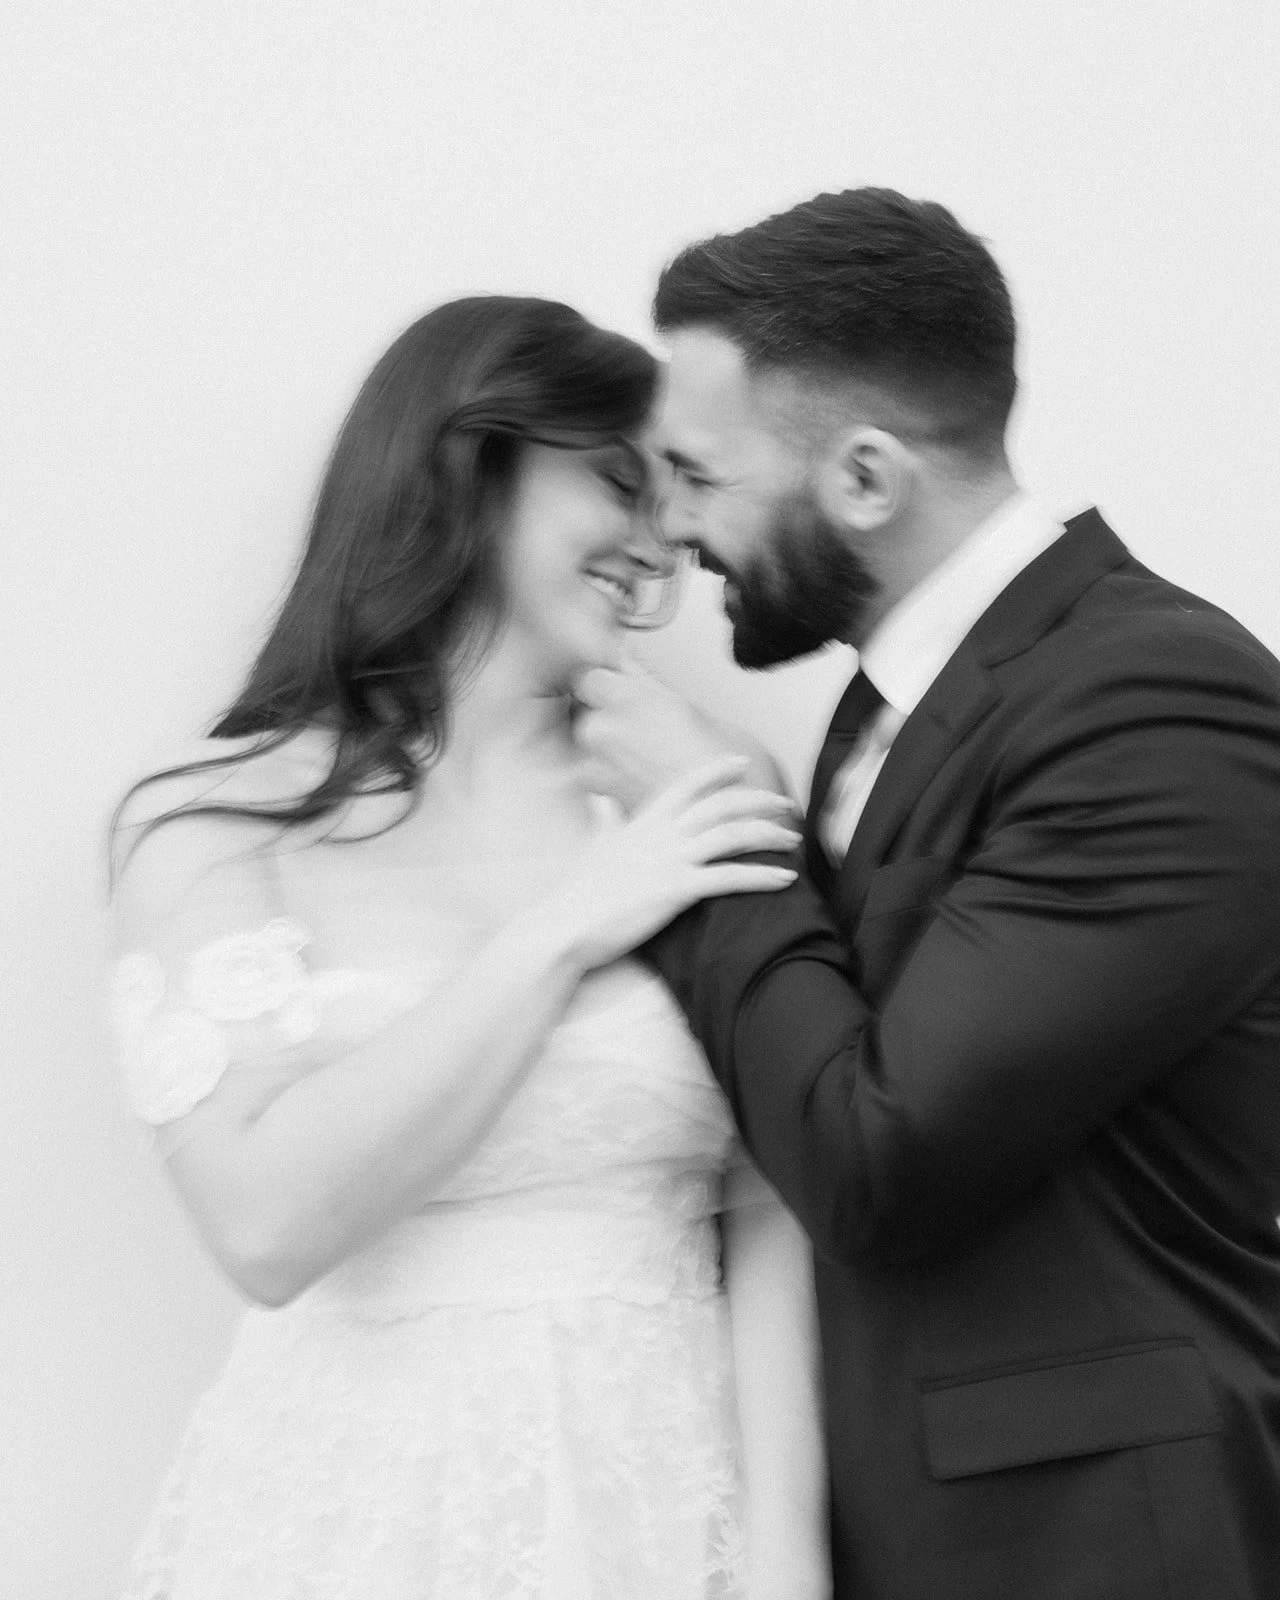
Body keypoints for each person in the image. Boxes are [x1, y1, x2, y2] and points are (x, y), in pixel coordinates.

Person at [573, 189, 1280, 1599]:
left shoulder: (1154, 702)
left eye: (700, 476)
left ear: (866, 479)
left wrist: (711, 826)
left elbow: (878, 1160)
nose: (674, 528)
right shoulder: (892, 703)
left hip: (1096, 1543)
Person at [107, 295, 831, 1599]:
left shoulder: (701, 781)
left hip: (658, 1503)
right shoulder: (213, 825)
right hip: (344, 1521)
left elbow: (778, 1203)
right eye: (619, 482)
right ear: (470, 462)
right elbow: (265, 1230)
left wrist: (790, 1564)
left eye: (675, 498)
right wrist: (568, 925)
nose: (662, 539)